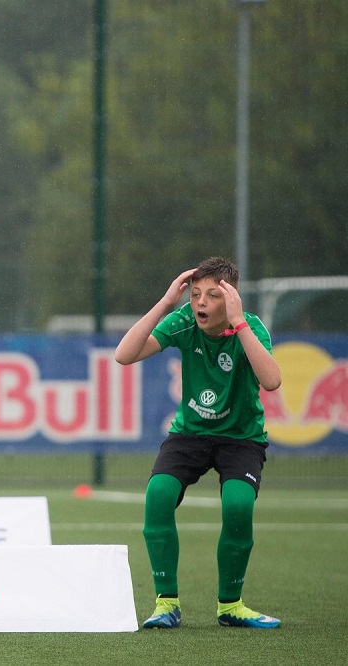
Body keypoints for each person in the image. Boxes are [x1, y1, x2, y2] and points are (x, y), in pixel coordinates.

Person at [114, 256, 282, 630]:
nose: (200, 303)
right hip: (190, 433)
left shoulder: (250, 328)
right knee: (158, 495)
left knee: (238, 505)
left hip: (241, 438)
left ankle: (231, 605)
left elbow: (271, 381)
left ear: (231, 299)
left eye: (211, 295)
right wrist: (165, 304)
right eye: (195, 295)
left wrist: (239, 324)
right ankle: (166, 603)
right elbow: (124, 355)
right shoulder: (184, 321)